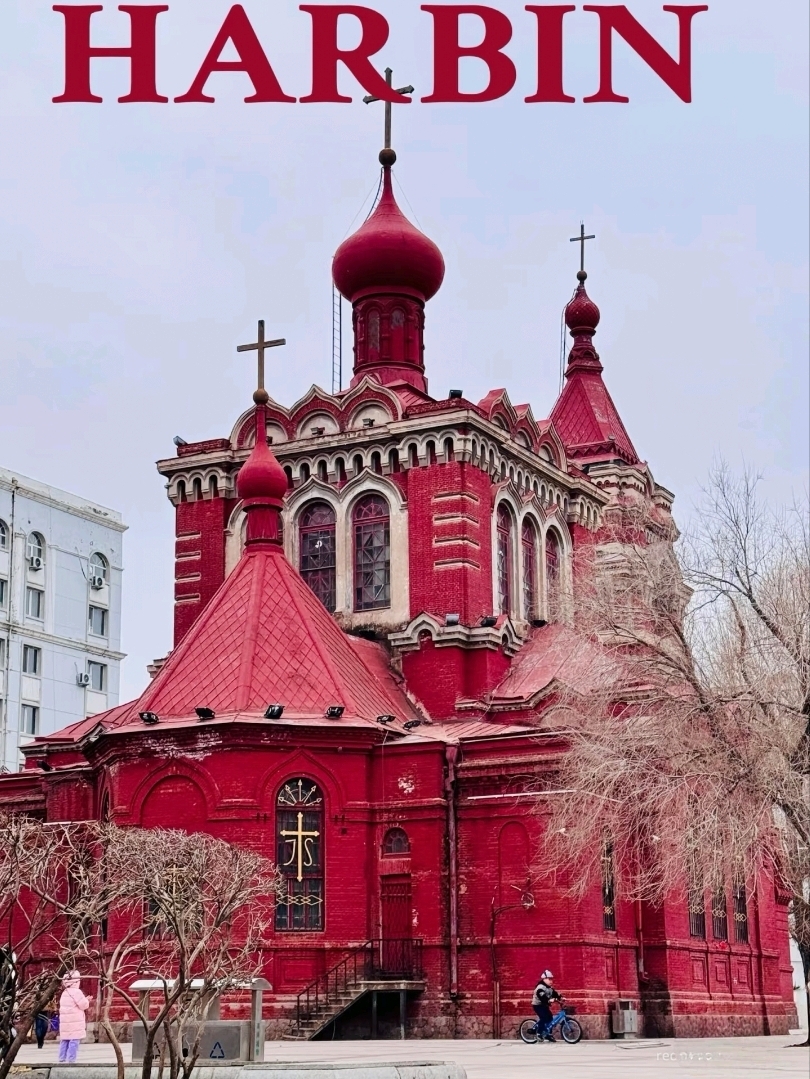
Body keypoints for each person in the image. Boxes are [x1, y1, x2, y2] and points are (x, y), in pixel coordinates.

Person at [57, 971, 92, 1063]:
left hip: (65, 1022)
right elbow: (84, 1005)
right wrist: (87, 1000)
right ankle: (71, 1059)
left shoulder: (64, 992)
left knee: (65, 1040)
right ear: (76, 981)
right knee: (74, 1040)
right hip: (75, 1021)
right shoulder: (77, 992)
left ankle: (62, 1058)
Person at [532, 970, 561, 1042]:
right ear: (544, 979)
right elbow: (542, 997)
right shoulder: (540, 987)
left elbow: (555, 994)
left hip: (544, 1005)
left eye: (552, 979)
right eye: (549, 979)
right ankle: (539, 1033)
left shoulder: (549, 988)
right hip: (537, 1005)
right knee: (544, 1017)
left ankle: (548, 1034)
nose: (551, 981)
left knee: (550, 1018)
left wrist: (561, 997)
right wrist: (548, 1000)